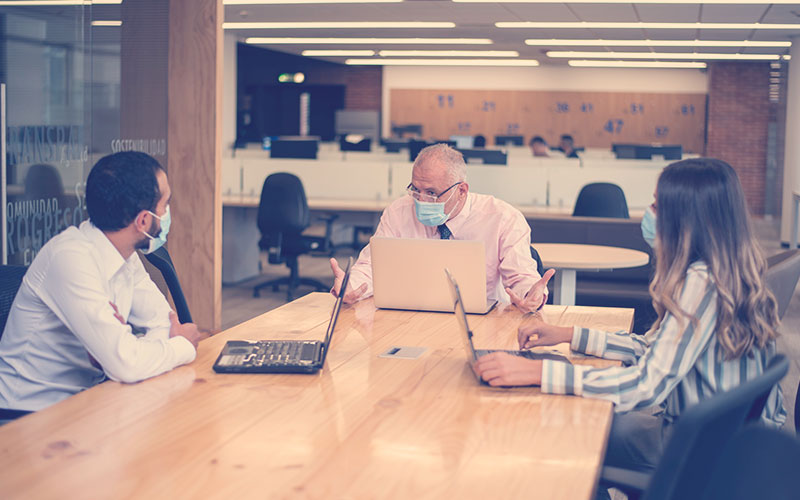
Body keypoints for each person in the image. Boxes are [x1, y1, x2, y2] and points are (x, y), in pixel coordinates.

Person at [473, 158, 786, 489]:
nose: (648, 214)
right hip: (729, 437)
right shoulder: (728, 269)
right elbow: (654, 348)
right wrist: (567, 334)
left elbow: (646, 384)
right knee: (588, 414)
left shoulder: (701, 282)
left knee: (567, 428)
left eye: (655, 204)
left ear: (685, 217)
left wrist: (537, 373)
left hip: (698, 446)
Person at [0, 151, 207, 413]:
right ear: (143, 220)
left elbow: (163, 325)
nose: (167, 213)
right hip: (27, 415)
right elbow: (128, 364)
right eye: (165, 205)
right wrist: (183, 346)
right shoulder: (70, 258)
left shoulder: (125, 255)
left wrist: (128, 349)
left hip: (87, 402)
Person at [330, 143, 554, 311]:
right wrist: (351, 285)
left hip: (480, 321)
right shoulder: (398, 212)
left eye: (432, 193)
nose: (421, 200)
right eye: (416, 190)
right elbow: (372, 266)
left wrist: (531, 294)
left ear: (462, 191)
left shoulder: (503, 218)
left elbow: (521, 277)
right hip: (410, 317)